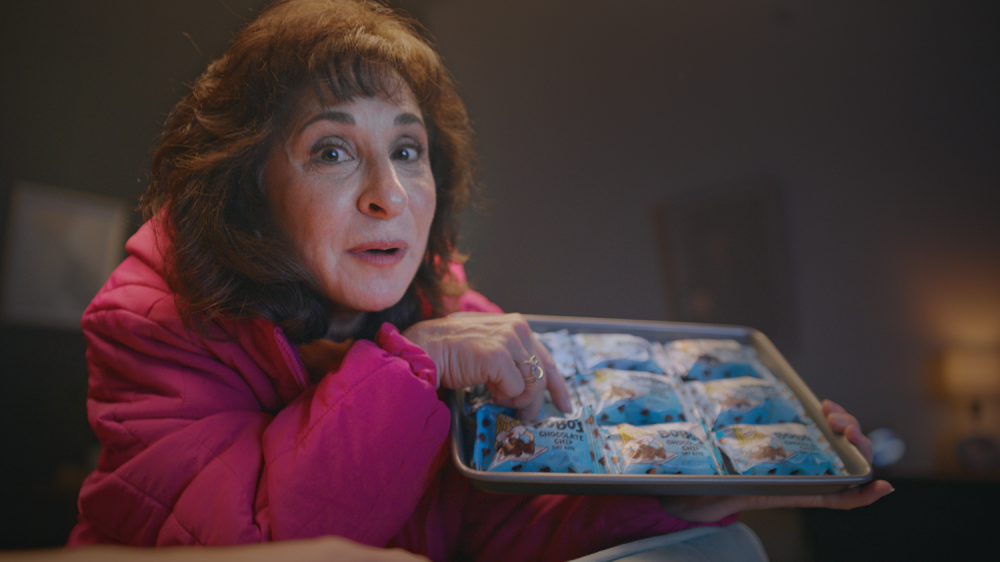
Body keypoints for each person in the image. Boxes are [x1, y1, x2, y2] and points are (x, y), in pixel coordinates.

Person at [66, 0, 892, 560]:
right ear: (247, 184)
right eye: (331, 150)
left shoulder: (462, 321)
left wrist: (688, 496)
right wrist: (411, 366)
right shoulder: (153, 322)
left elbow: (506, 524)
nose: (386, 194)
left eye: (407, 150)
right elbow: (258, 548)